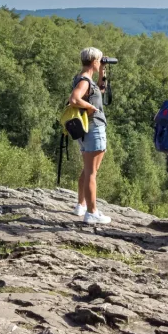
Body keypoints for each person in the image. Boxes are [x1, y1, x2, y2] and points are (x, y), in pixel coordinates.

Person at [68, 47, 111, 225]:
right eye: (99, 61)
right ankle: (92, 213)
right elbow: (74, 98)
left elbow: (98, 91)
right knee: (92, 173)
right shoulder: (85, 81)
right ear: (94, 61)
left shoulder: (81, 78)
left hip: (86, 129)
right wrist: (90, 107)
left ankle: (81, 205)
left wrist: (102, 72)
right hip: (94, 128)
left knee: (87, 170)